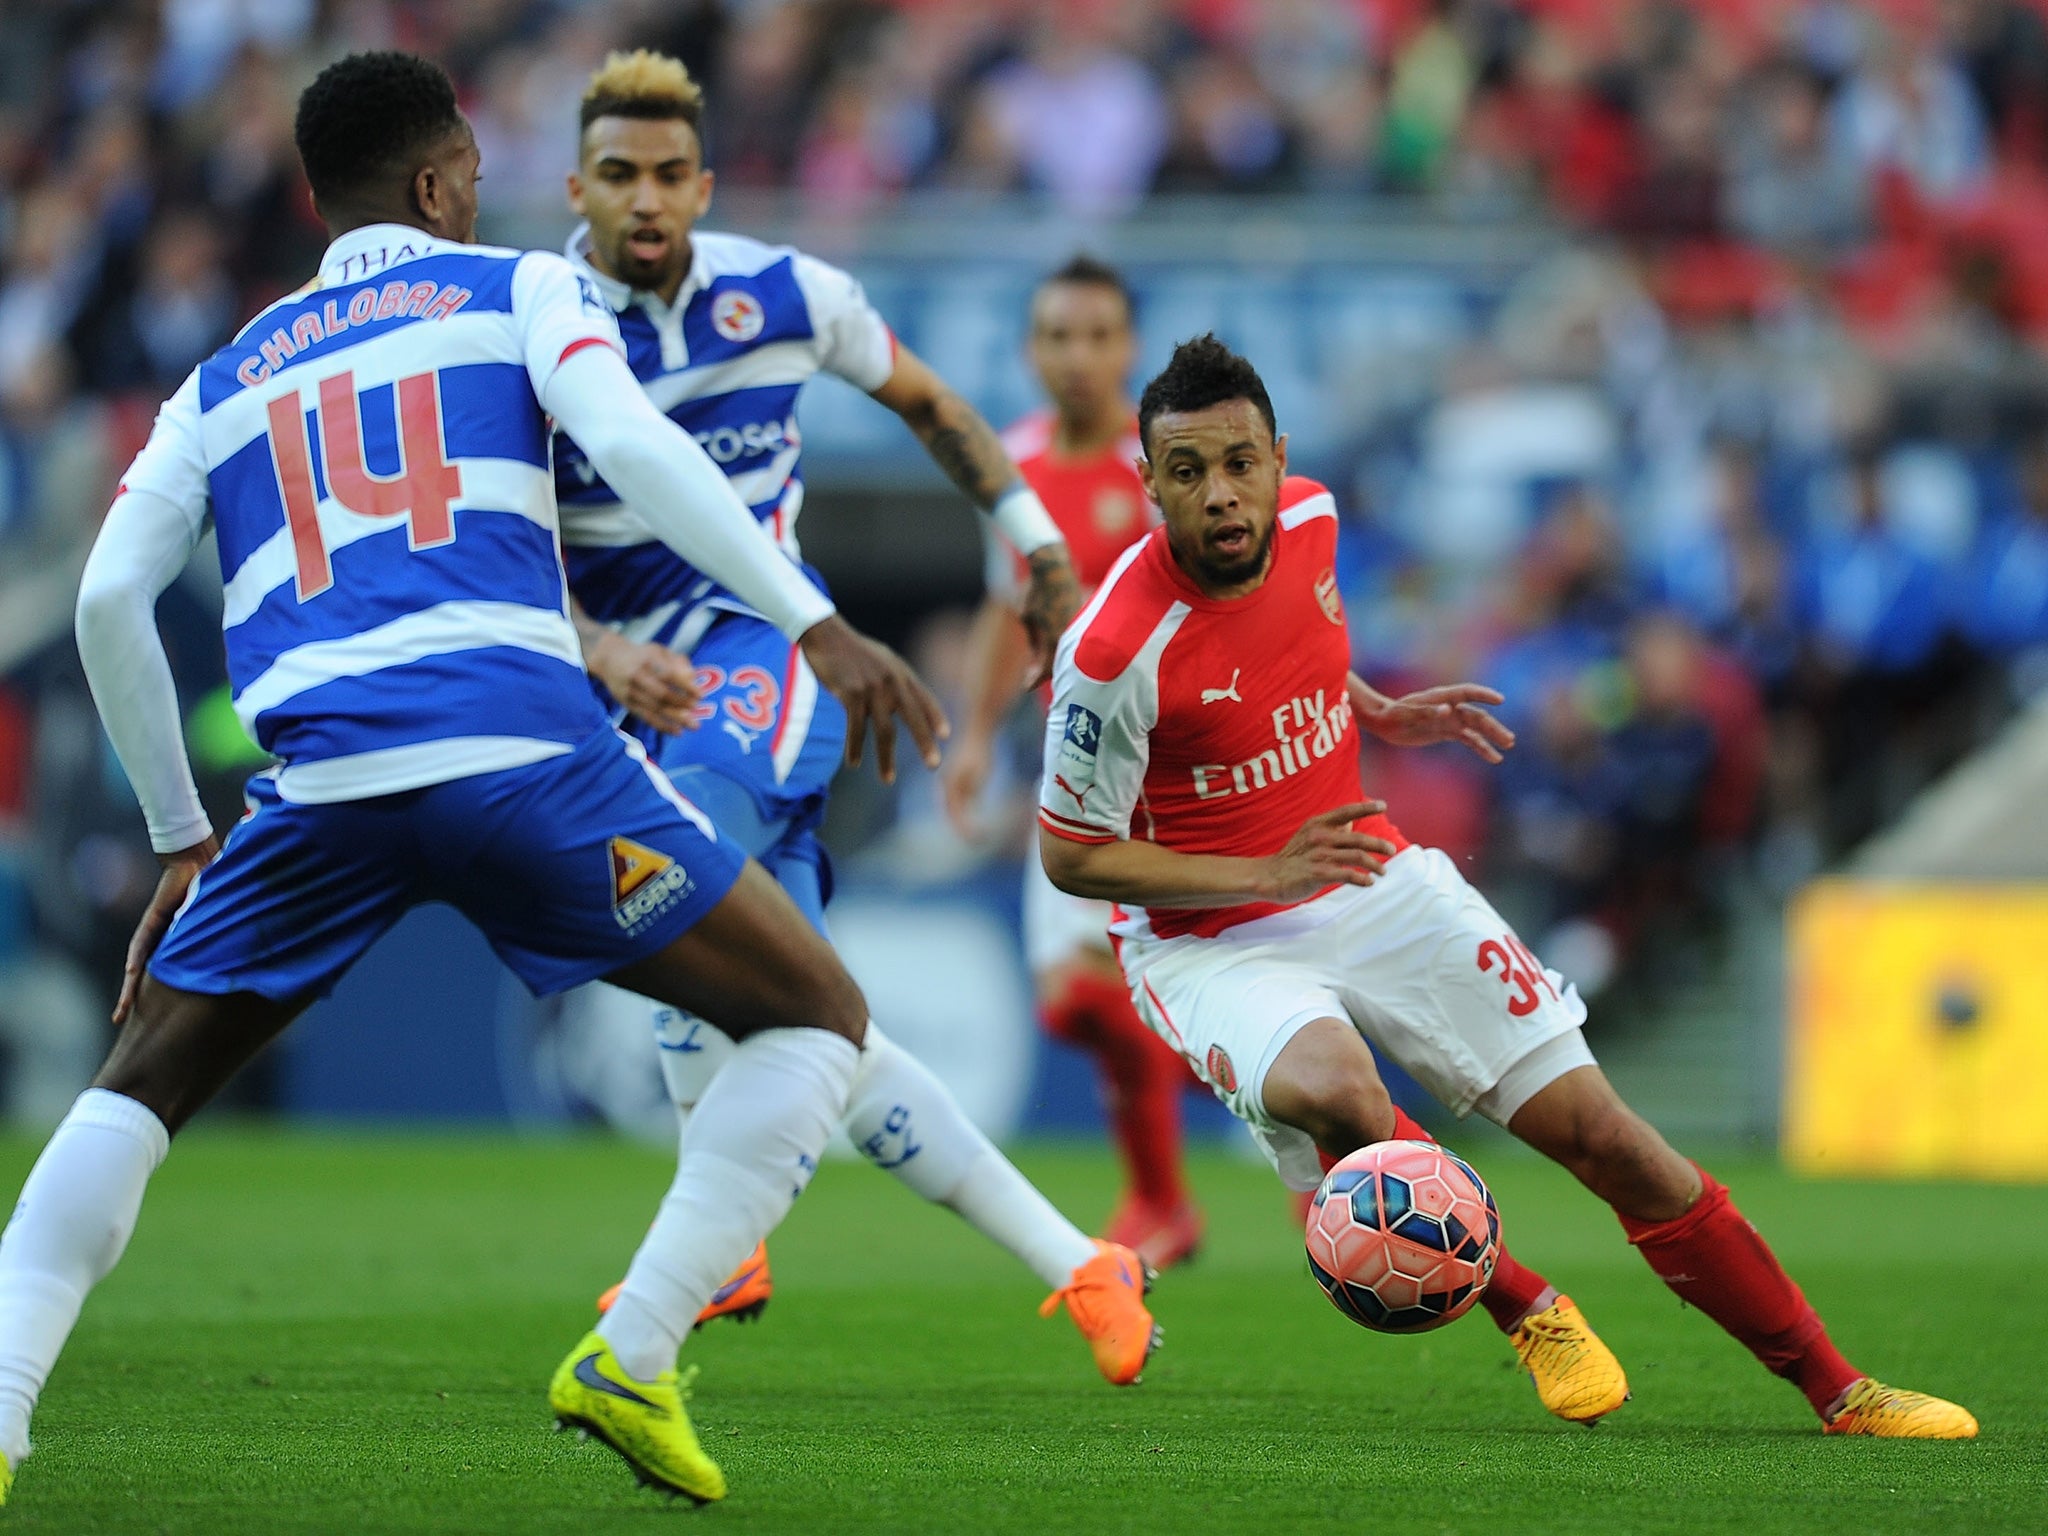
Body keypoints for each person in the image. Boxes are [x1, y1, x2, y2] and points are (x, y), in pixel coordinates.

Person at [0, 49, 1006, 1512]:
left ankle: (5, 1410)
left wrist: (178, 836)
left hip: (321, 781)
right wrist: (813, 619)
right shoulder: (519, 287)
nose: (485, 185)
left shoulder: (226, 372)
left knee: (136, 1091)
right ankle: (635, 1350)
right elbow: (629, 442)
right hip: (526, 757)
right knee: (821, 1019)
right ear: (433, 181)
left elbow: (104, 602)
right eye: (470, 164)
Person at [1036, 333, 1978, 1440]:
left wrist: (1370, 709)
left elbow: (1284, 638)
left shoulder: (1311, 520)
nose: (1220, 494)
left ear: (1276, 456)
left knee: (1610, 1140)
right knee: (1338, 1091)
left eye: (1238, 461)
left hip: (1368, 876)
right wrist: (1263, 869)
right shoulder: (1108, 654)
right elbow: (1069, 854)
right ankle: (1527, 1311)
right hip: (1209, 941)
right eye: (1185, 473)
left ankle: (1841, 1390)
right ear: (1146, 484)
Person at [550, 50, 1154, 1378]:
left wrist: (1033, 541)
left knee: (681, 887)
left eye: (668, 175)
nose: (645, 200)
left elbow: (934, 406)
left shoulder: (783, 293)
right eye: (618, 175)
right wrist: (593, 651)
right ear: (575, 187)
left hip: (766, 651)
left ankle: (690, 1278)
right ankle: (1079, 1265)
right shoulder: (531, 340)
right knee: (814, 1024)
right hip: (628, 699)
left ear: (703, 185)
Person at [942, 256, 1204, 1270]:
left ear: (1130, 348)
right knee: (1071, 1002)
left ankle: (1165, 1198)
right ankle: (1198, 1171)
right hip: (1067, 764)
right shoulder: (1010, 464)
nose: (1078, 356)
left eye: (1098, 335)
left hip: (1166, 770)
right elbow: (1007, 609)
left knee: (1099, 993)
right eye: (1058, 335)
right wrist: (970, 738)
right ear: (1030, 350)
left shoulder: (1167, 467)